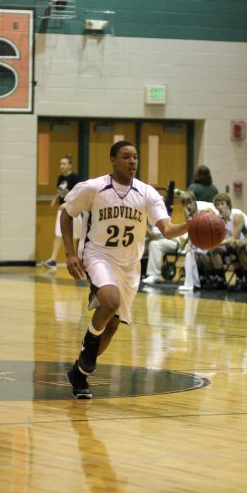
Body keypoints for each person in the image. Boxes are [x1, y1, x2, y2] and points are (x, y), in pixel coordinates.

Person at [60, 140, 190, 399]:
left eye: (135, 157)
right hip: (98, 257)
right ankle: (87, 357)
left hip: (130, 266)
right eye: (126, 157)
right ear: (112, 160)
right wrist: (70, 252)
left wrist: (192, 225)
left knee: (113, 324)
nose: (132, 162)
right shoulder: (94, 188)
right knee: (109, 302)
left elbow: (167, 229)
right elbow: (66, 212)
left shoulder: (147, 193)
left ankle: (80, 372)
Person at [206, 193, 247, 291]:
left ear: (228, 204)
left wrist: (217, 243)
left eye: (222, 204)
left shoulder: (237, 215)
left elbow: (234, 237)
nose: (219, 207)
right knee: (212, 250)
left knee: (234, 245)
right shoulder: (217, 219)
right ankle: (221, 280)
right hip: (229, 245)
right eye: (217, 205)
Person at [42, 155, 81, 268]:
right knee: (58, 234)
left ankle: (79, 258)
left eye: (64, 164)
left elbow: (79, 194)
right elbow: (60, 192)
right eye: (60, 164)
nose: (61, 166)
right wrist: (55, 199)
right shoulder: (60, 178)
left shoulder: (75, 177)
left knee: (78, 236)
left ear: (70, 165)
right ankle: (53, 260)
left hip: (74, 210)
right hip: (62, 212)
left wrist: (67, 203)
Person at [177, 191, 216, 292]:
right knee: (189, 252)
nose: (187, 206)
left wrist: (191, 244)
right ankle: (194, 283)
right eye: (184, 204)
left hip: (215, 236)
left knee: (191, 251)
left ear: (194, 201)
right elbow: (192, 230)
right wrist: (189, 245)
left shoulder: (204, 209)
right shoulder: (189, 213)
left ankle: (191, 284)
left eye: (189, 203)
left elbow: (206, 229)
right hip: (203, 237)